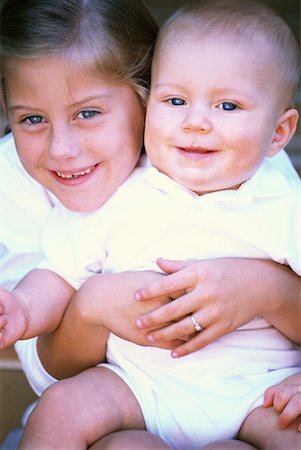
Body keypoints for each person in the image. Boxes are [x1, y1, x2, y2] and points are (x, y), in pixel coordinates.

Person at [7, 0, 300, 449]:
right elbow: (58, 274)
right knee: (63, 409)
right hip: (140, 383)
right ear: (153, 103)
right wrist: (23, 310)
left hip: (258, 390)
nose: (196, 123)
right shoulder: (125, 194)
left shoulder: (284, 204)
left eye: (227, 106)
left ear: (279, 133)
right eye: (177, 101)